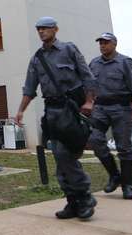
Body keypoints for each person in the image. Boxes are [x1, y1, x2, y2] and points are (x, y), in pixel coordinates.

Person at [14, 17, 98, 220]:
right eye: (39, 29)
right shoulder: (37, 58)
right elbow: (29, 87)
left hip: (73, 109)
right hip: (52, 111)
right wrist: (20, 111)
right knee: (61, 156)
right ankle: (74, 201)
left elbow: (87, 77)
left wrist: (89, 102)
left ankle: (85, 197)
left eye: (45, 28)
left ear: (55, 30)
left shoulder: (69, 49)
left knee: (64, 156)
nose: (41, 32)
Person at [87, 32, 132, 200]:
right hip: (100, 108)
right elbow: (89, 86)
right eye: (100, 43)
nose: (102, 45)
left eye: (106, 42)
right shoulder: (94, 63)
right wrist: (88, 102)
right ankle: (114, 175)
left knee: (124, 147)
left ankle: (127, 185)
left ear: (114, 44)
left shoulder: (125, 62)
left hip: (121, 108)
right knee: (95, 140)